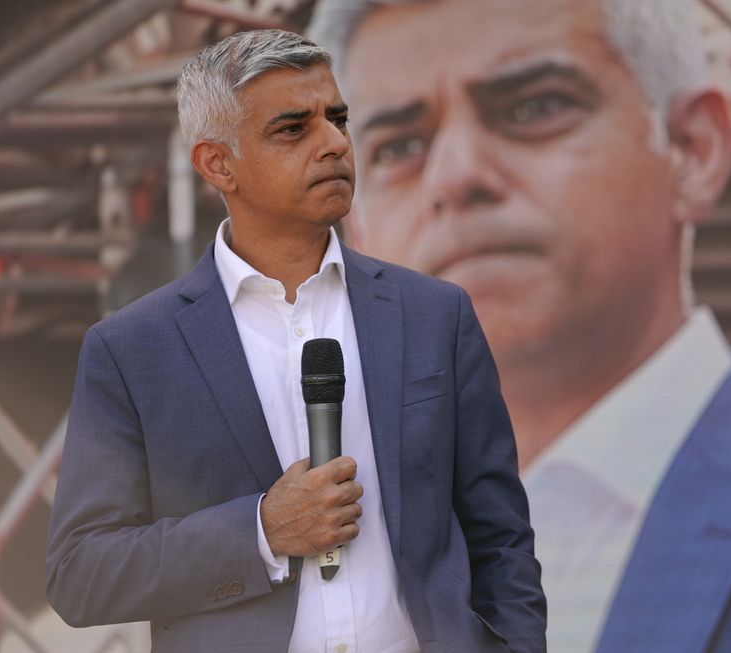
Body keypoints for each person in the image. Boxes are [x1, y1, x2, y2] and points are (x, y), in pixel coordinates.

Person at [309, 1, 731, 651]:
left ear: (692, 150)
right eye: (399, 147)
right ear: (358, 230)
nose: (456, 174)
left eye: (533, 108)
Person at [45, 30, 546, 653]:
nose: (334, 143)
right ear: (217, 164)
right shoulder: (132, 350)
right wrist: (261, 532)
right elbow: (81, 574)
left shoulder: (435, 315)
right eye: (292, 129)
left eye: (337, 118)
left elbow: (501, 537)